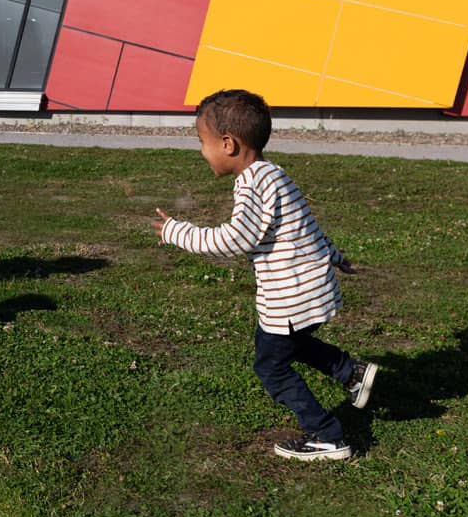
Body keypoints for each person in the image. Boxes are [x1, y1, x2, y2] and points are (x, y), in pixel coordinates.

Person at [154, 89, 377, 461]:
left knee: (271, 366)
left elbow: (237, 238)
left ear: (228, 144)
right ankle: (350, 372)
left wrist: (178, 232)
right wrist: (337, 258)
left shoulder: (252, 182)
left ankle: (327, 435)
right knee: (285, 344)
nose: (201, 151)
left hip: (289, 298)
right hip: (309, 293)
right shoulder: (275, 174)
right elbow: (308, 227)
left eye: (202, 143)